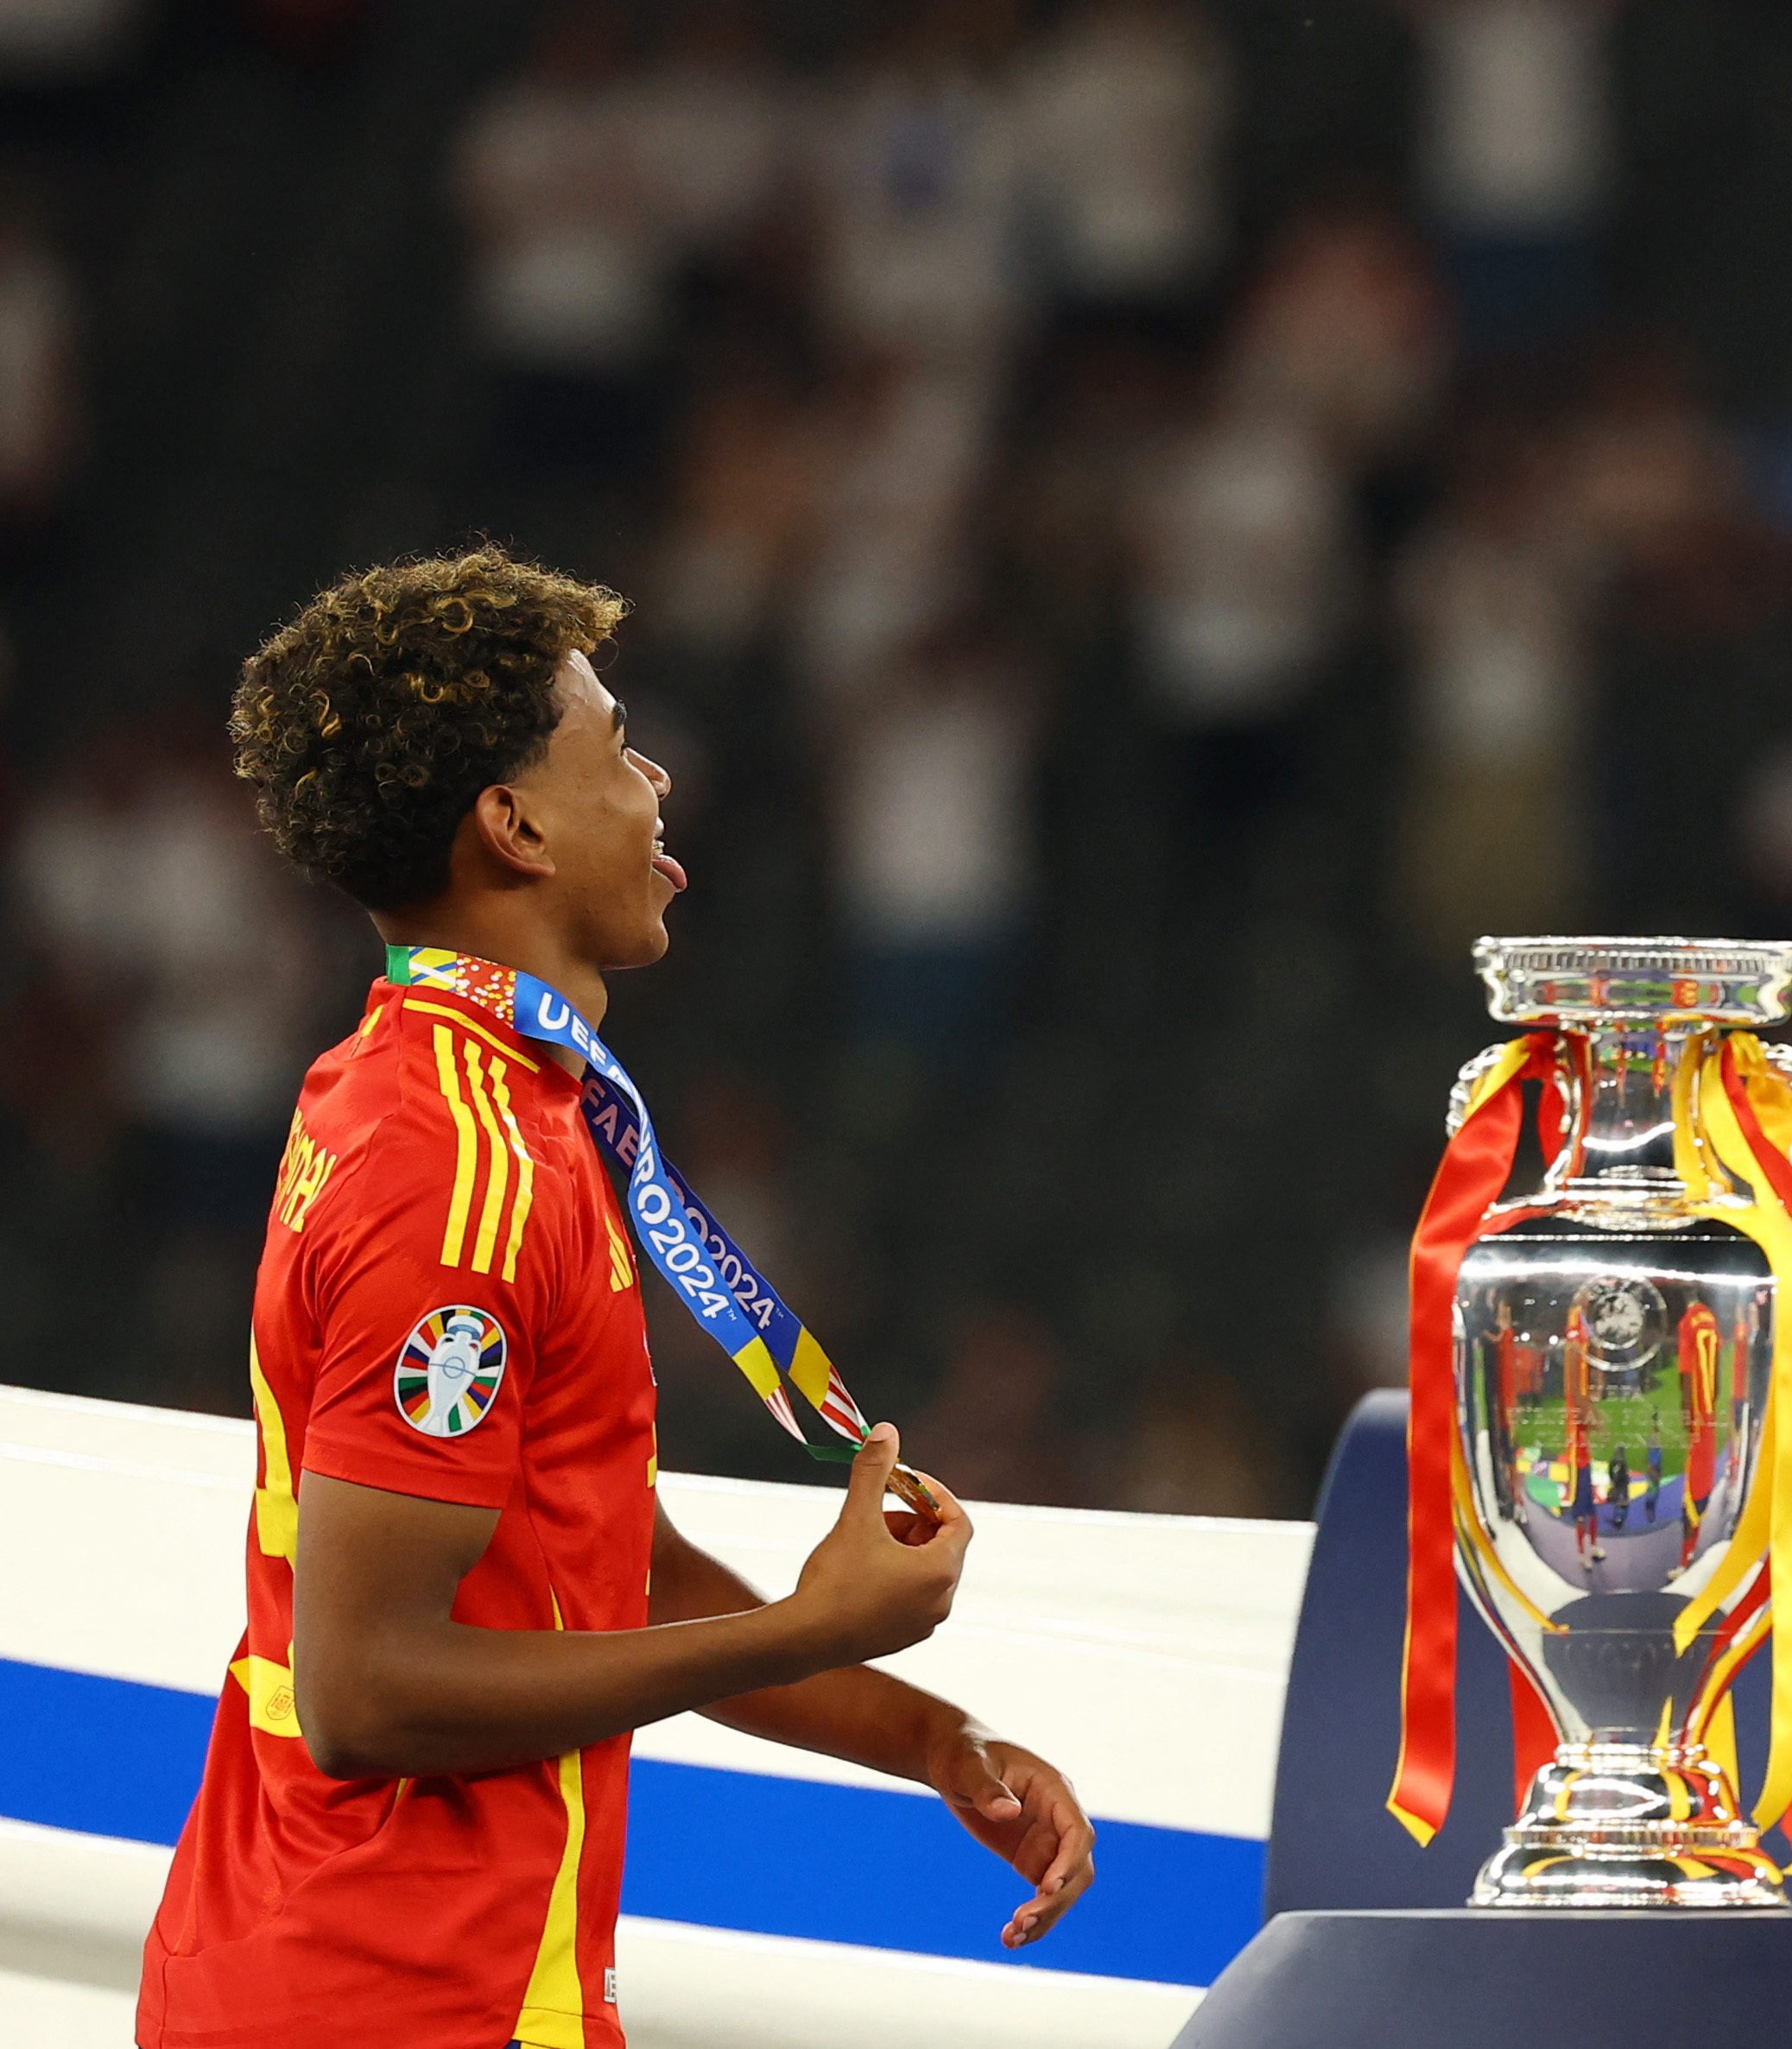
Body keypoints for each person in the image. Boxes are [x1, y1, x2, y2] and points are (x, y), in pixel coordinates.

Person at [143, 549, 1094, 2049]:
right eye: (614, 742)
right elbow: (368, 1689)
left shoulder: (465, 1103)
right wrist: (799, 1631)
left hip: (385, 1968)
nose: (655, 779)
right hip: (392, 1994)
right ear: (511, 825)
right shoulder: (459, 1171)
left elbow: (606, 1574)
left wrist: (930, 1739)